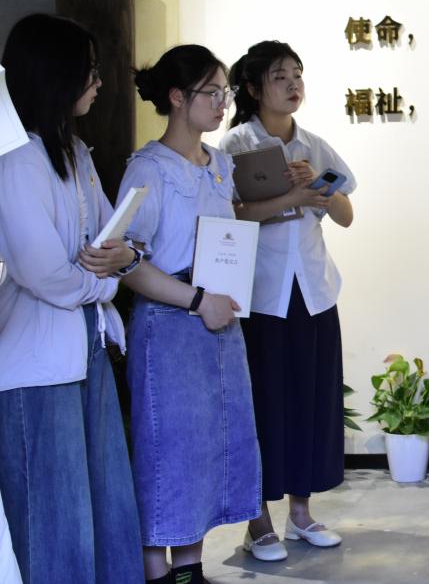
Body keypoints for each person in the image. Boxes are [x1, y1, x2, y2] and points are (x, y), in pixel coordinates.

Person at [0, 13, 144, 583]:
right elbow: (46, 275)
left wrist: (119, 261)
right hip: (36, 364)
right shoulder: (16, 162)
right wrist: (107, 280)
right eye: (89, 70)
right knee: (55, 517)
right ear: (54, 74)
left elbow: (116, 241)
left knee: (106, 502)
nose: (99, 82)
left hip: (89, 345)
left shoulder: (77, 152)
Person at [117, 45, 261, 584]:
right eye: (212, 92)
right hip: (172, 323)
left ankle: (190, 567)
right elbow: (127, 264)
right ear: (177, 97)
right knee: (168, 448)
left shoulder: (219, 164)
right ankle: (158, 571)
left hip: (220, 320)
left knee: (209, 446)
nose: (223, 103)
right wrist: (199, 301)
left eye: (226, 91)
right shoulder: (148, 168)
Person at [221, 41, 355, 561]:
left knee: (311, 403)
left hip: (314, 292)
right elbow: (230, 214)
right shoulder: (236, 144)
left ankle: (301, 514)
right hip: (261, 296)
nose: (293, 84)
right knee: (264, 406)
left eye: (297, 74)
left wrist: (318, 188)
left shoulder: (314, 145)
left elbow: (345, 214)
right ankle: (257, 522)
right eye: (280, 76)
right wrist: (291, 198)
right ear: (253, 89)